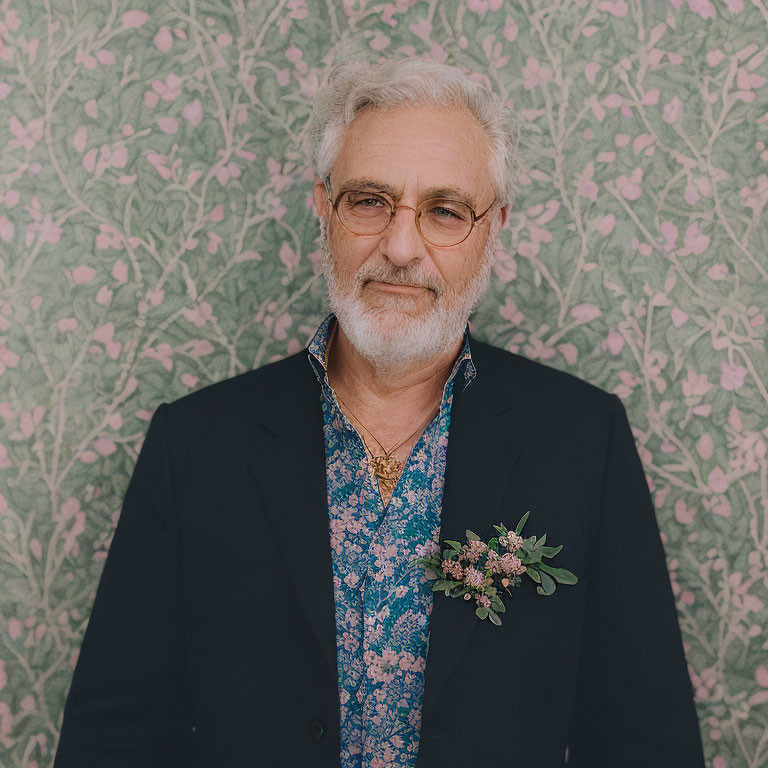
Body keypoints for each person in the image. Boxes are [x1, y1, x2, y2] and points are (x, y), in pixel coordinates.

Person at [54, 58, 705, 768]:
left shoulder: (584, 441)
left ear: (494, 229)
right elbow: (113, 739)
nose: (400, 247)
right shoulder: (195, 446)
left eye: (445, 211)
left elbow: (648, 739)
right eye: (369, 201)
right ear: (323, 206)